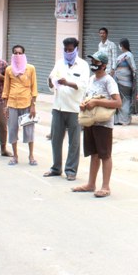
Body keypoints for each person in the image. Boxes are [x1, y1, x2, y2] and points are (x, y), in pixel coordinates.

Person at [71, 52, 121, 198]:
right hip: (90, 121)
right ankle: (91, 184)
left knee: (105, 154)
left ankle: (105, 187)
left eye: (97, 62)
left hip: (103, 124)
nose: (93, 64)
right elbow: (87, 97)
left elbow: (117, 102)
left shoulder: (109, 81)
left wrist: (96, 102)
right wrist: (84, 104)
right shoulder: (91, 79)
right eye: (92, 61)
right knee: (94, 154)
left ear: (104, 65)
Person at [45, 37, 89, 180]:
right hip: (58, 107)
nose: (68, 52)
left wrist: (67, 83)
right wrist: (51, 82)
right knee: (55, 139)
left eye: (70, 50)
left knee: (74, 142)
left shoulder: (83, 65)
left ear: (76, 49)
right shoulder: (59, 63)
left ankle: (71, 170)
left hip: (74, 108)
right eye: (66, 49)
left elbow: (83, 86)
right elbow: (52, 79)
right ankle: (56, 168)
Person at [2, 45, 38, 166]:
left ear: (24, 54)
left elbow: (34, 87)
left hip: (27, 103)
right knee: (12, 130)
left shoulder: (30, 68)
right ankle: (15, 156)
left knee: (29, 130)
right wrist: (5, 106)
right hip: (12, 103)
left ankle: (31, 156)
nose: (18, 55)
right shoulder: (9, 69)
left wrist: (33, 105)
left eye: (20, 53)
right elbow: (6, 88)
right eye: (15, 53)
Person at [113, 38, 138, 126]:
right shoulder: (126, 55)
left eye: (120, 45)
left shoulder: (128, 55)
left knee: (125, 101)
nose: (119, 47)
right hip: (121, 82)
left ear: (122, 45)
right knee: (123, 100)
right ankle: (121, 119)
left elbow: (134, 69)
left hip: (125, 83)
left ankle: (124, 120)